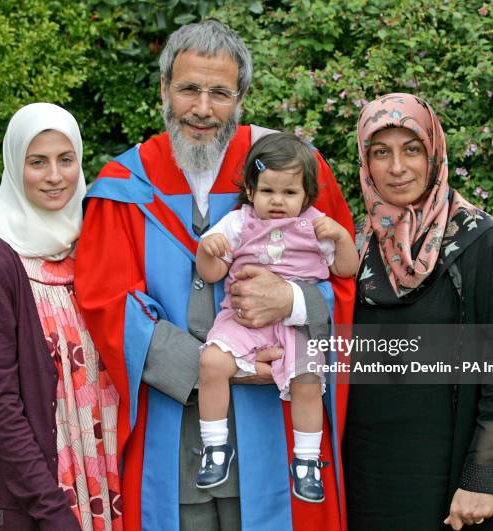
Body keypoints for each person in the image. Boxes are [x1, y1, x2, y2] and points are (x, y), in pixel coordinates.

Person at [74, 20, 355, 531]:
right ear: (164, 90)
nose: (203, 109)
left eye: (220, 93)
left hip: (280, 424)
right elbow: (107, 301)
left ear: (242, 95)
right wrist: (211, 366)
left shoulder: (290, 170)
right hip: (176, 441)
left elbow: (343, 277)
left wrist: (292, 302)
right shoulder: (124, 184)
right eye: (188, 89)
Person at [344, 93, 493, 530]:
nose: (397, 167)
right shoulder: (354, 249)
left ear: (434, 155)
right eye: (380, 153)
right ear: (364, 163)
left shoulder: (481, 244)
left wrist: (483, 478)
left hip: (453, 487)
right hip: (368, 480)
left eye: (411, 150)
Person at [0, 103, 122, 530]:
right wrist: (52, 510)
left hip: (106, 478)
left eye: (65, 160)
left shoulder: (91, 244)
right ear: (16, 167)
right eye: (38, 162)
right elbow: (0, 405)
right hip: (38, 498)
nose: (55, 176)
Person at [195, 132, 358, 504]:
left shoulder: (317, 225)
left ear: (307, 196)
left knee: (307, 379)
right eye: (268, 191)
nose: (278, 201)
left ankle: (307, 461)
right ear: (251, 192)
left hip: (296, 323)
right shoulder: (238, 223)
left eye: (290, 193)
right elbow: (212, 274)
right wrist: (209, 249)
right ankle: (215, 448)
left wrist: (343, 239)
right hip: (243, 318)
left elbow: (346, 270)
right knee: (211, 362)